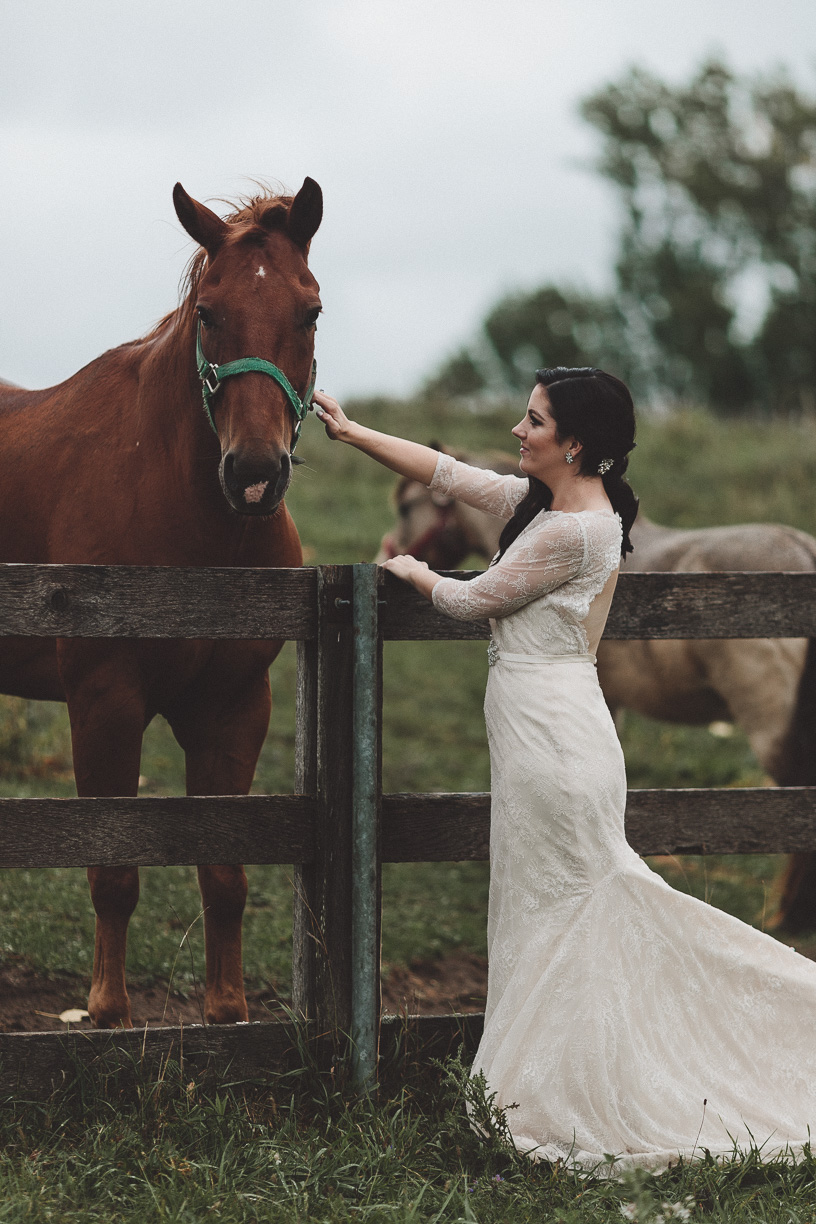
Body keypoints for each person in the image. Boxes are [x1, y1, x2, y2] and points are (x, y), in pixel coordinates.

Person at [312, 369, 816, 1175]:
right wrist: (352, 431)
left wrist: (413, 573)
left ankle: (567, 1088)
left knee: (573, 903)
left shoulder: (570, 531)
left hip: (554, 742)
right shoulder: (558, 505)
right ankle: (556, 1073)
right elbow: (448, 476)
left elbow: (475, 602)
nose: (518, 429)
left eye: (533, 419)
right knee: (550, 902)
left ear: (573, 443)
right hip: (548, 727)